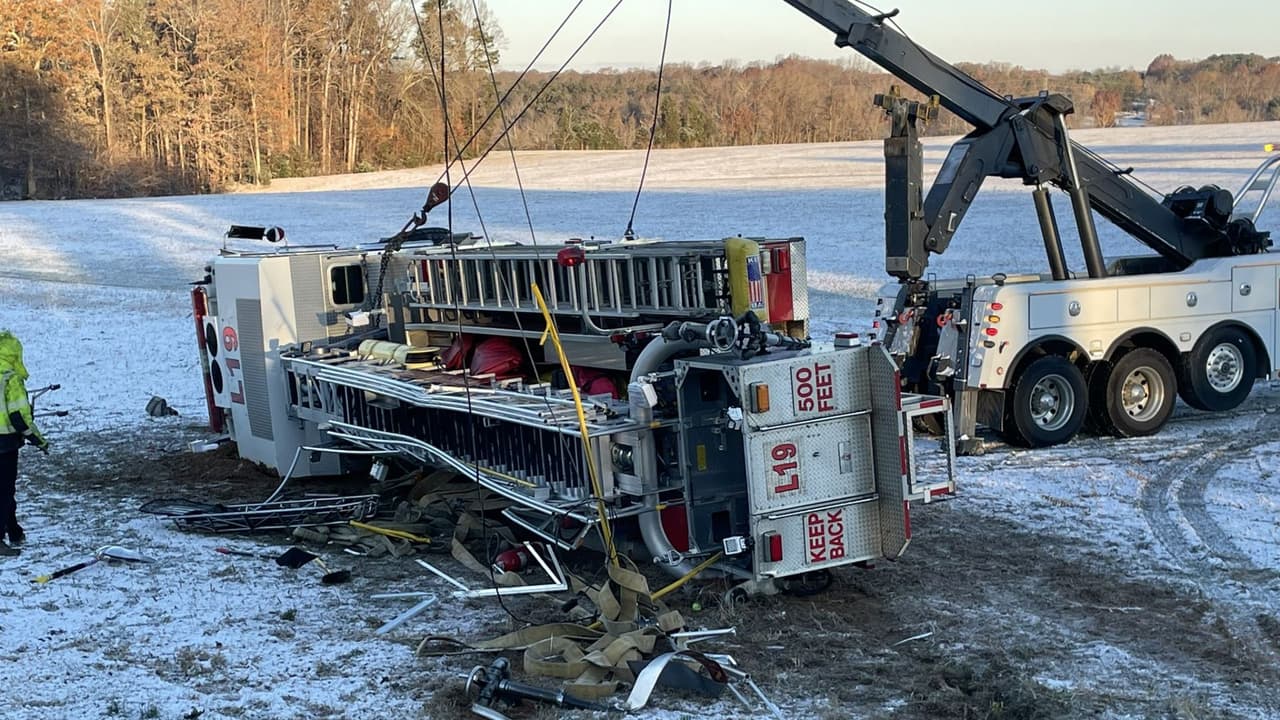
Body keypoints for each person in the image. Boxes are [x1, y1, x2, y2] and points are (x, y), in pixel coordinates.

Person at [0, 329, 47, 557]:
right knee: (4, 490)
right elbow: (19, 417)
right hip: (4, 443)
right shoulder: (10, 379)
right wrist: (39, 441)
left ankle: (14, 530)